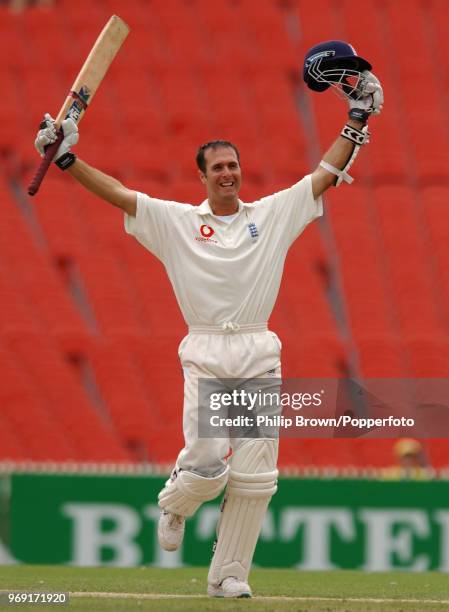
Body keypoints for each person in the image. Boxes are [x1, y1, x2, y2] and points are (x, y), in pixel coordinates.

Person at [34, 41, 383, 598]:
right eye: (218, 167)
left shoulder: (270, 214)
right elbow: (122, 196)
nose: (228, 173)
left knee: (256, 477)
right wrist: (69, 159)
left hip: (258, 350)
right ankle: (177, 502)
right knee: (205, 461)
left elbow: (323, 173)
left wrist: (359, 116)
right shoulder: (174, 222)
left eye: (233, 165)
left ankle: (229, 576)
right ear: (201, 176)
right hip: (205, 349)